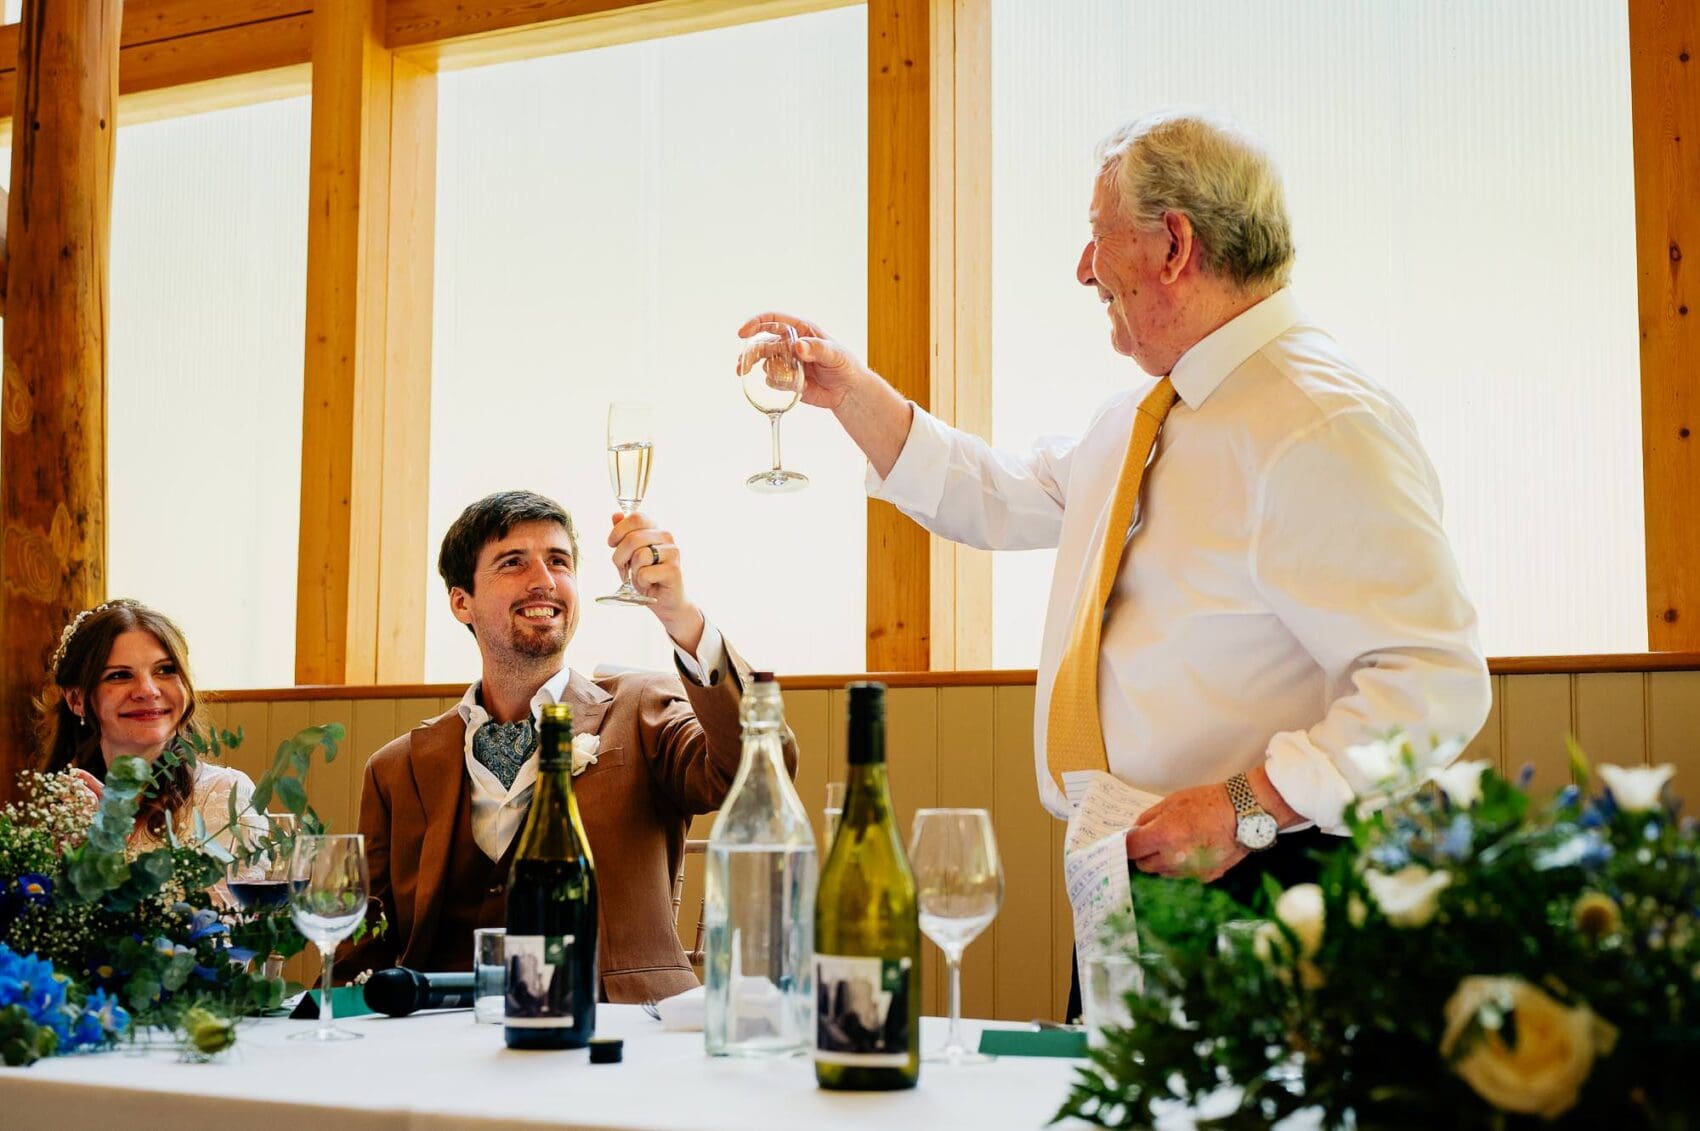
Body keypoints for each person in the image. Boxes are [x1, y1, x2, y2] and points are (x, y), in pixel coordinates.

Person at [740, 111, 1490, 1008]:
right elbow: (998, 490)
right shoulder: (1141, 421)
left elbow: (1433, 683)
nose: (1083, 267)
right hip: (1128, 874)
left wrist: (1247, 807)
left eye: (1097, 236)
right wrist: (851, 394)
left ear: (1173, 244)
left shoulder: (1320, 422)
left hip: (1265, 885)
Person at [335, 490, 795, 1003]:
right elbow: (360, 946)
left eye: (560, 561)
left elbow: (761, 769)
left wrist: (682, 619)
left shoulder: (642, 707)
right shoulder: (395, 769)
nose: (545, 580)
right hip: (441, 1046)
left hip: (618, 1036)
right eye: (513, 562)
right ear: (461, 601)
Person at [36, 598, 265, 861]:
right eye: (120, 675)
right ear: (76, 700)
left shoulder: (225, 796)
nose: (148, 690)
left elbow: (227, 903)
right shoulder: (65, 807)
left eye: (165, 670)